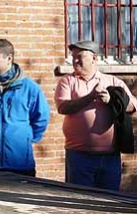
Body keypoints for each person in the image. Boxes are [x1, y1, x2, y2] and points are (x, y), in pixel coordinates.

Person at [55, 40, 137, 191]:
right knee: (79, 198)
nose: (75, 61)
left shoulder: (112, 81)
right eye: (73, 57)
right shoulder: (67, 81)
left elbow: (133, 106)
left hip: (110, 156)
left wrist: (112, 101)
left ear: (94, 58)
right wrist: (90, 97)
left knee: (108, 200)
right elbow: (63, 107)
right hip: (79, 156)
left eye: (79, 57)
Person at [0, 39, 50, 176]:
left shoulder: (30, 88)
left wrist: (27, 139)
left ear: (9, 58)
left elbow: (41, 118)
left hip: (20, 163)